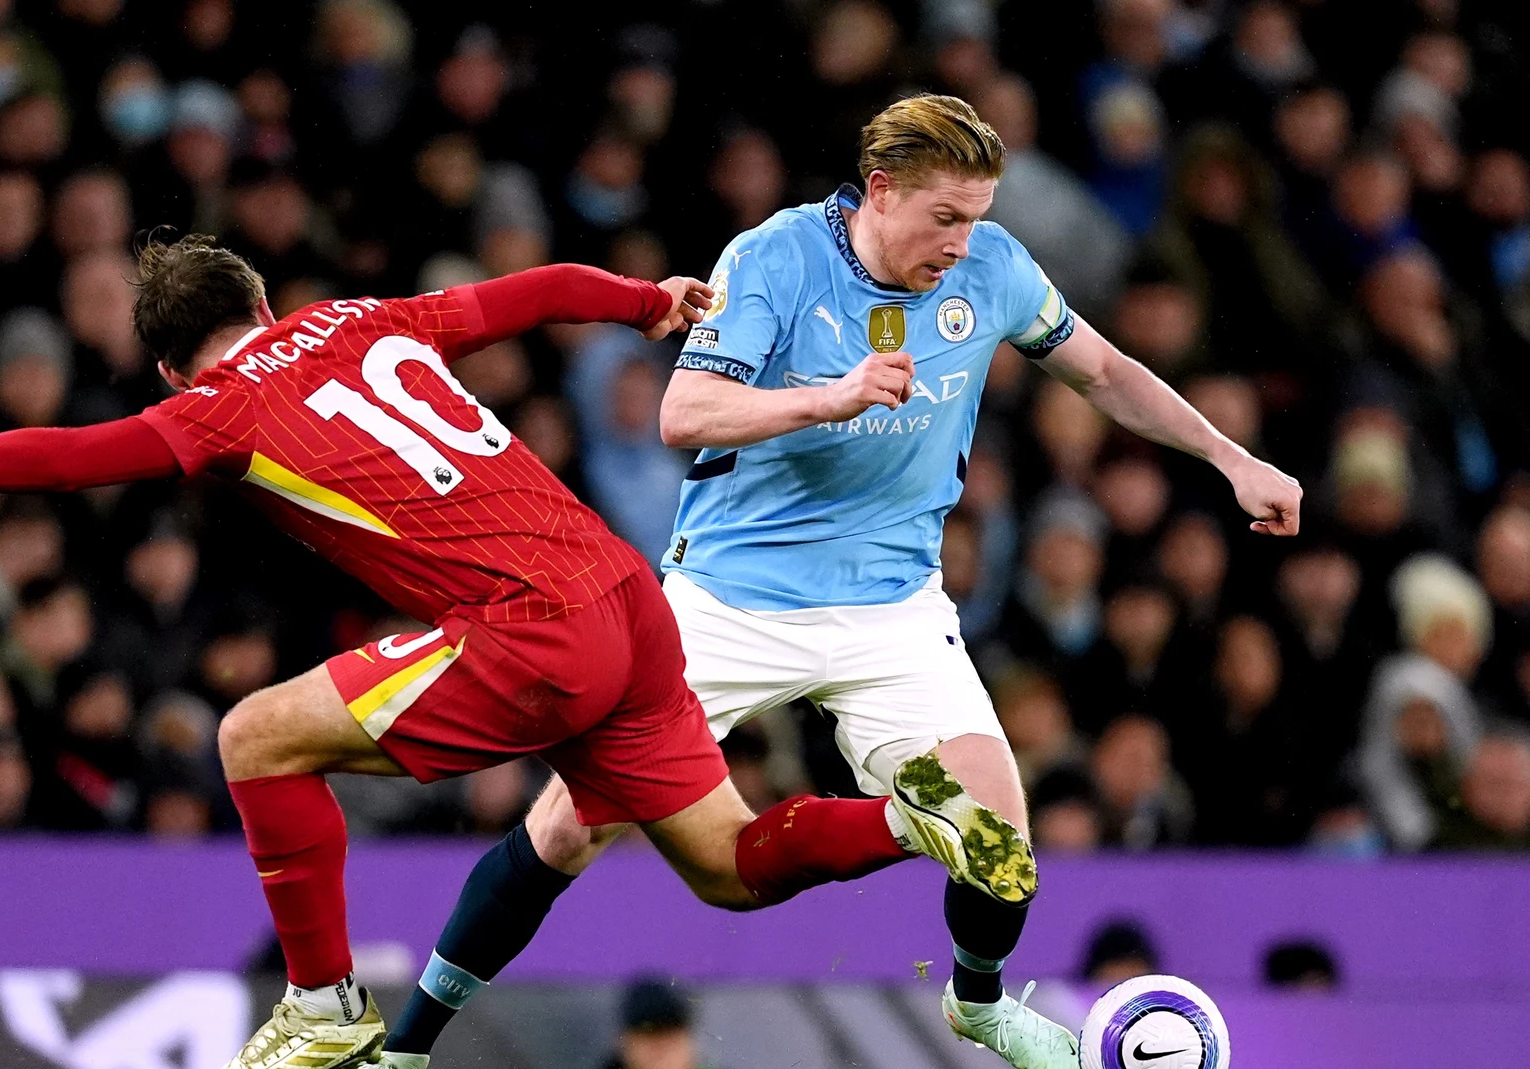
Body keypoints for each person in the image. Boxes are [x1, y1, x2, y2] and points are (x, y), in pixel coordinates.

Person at [0, 240, 915, 1069]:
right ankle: (917, 819)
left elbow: (69, 456)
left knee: (254, 736)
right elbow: (528, 293)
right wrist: (640, 301)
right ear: (267, 303)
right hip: (626, 592)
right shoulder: (364, 317)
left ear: (175, 373)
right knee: (725, 863)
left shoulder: (212, 409)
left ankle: (323, 998)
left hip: (530, 623)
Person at [383, 94, 1302, 1069]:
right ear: (881, 188)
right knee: (569, 824)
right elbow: (684, 412)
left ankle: (979, 1004)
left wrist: (1228, 457)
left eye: (978, 216)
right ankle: (408, 1046)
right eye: (944, 216)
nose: (963, 241)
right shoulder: (774, 258)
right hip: (726, 602)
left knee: (999, 838)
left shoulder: (991, 269)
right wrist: (831, 396)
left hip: (893, 610)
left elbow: (1106, 372)